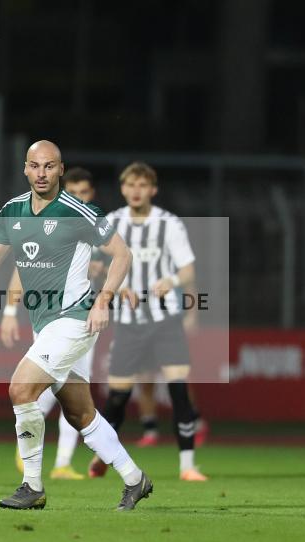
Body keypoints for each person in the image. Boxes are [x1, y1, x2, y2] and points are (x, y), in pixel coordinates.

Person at [0, 140, 153, 510]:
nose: (41, 173)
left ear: (60, 169)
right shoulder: (12, 211)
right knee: (79, 413)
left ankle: (32, 485)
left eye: (49, 166)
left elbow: (123, 254)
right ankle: (135, 479)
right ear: (25, 169)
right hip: (45, 325)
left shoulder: (78, 211)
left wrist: (103, 300)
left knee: (21, 389)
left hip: (74, 319)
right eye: (35, 166)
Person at [87, 162, 208, 482]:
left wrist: (171, 281)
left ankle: (187, 466)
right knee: (118, 396)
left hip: (166, 319)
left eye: (142, 185)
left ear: (153, 189)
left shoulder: (169, 224)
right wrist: (116, 285)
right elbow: (94, 265)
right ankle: (103, 455)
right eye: (130, 185)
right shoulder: (112, 222)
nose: (136, 190)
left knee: (178, 387)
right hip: (128, 322)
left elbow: (188, 270)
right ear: (123, 189)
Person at [1, 167, 104, 481]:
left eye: (84, 193)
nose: (78, 198)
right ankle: (31, 447)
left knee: (73, 389)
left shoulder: (95, 224)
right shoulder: (48, 224)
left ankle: (60, 463)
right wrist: (8, 311)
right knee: (55, 388)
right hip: (52, 320)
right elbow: (22, 268)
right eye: (73, 192)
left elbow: (118, 265)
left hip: (84, 318)